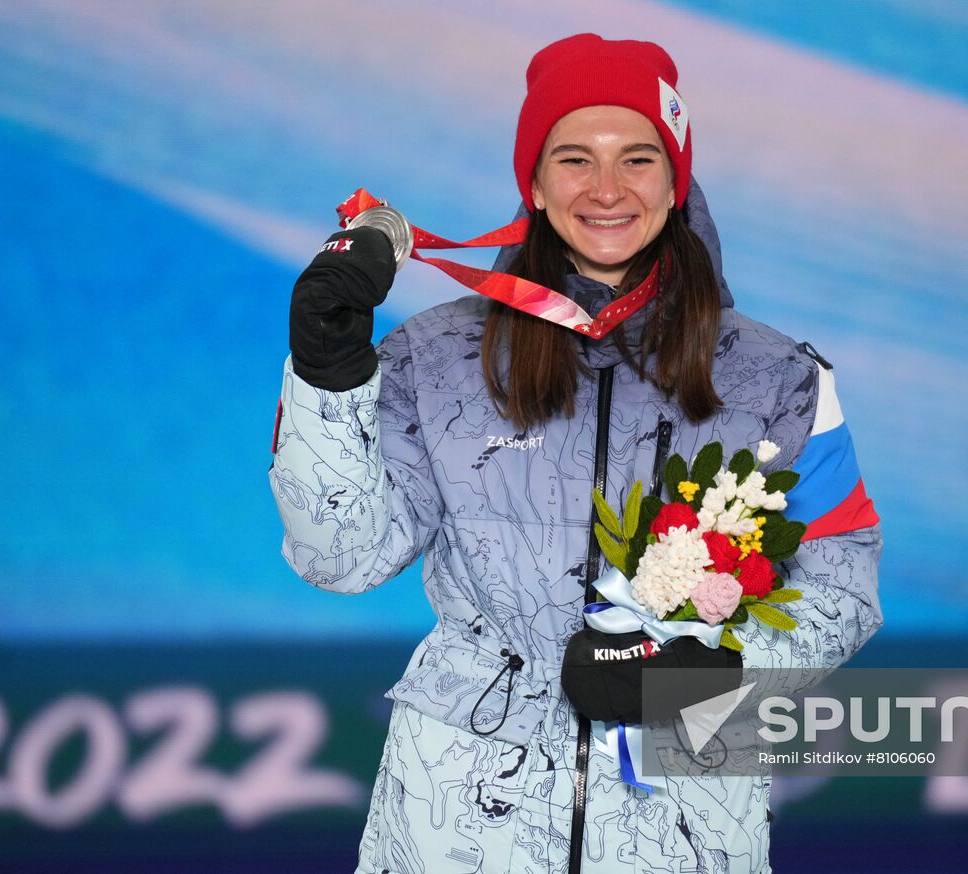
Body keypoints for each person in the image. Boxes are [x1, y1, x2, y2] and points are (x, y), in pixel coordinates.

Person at [269, 33, 882, 874]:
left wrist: (707, 675)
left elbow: (842, 588)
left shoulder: (780, 378)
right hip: (458, 825)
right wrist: (325, 380)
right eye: (573, 159)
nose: (606, 190)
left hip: (686, 824)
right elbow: (340, 557)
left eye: (638, 159)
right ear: (534, 182)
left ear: (675, 182)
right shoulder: (436, 356)